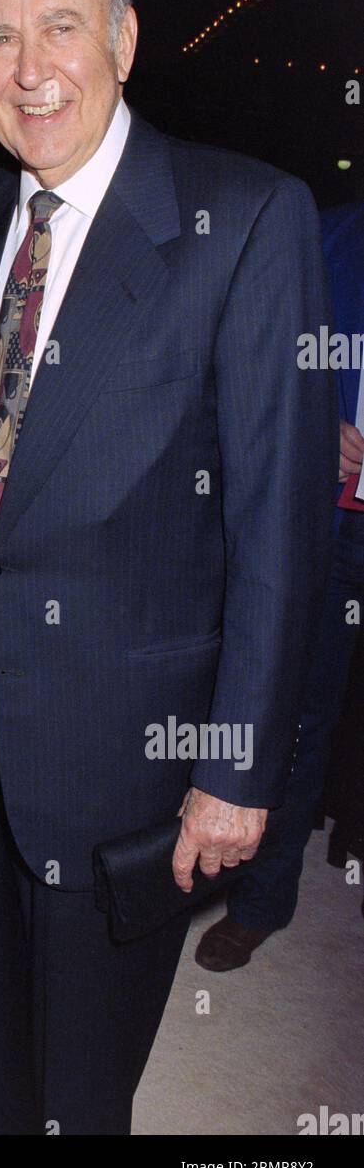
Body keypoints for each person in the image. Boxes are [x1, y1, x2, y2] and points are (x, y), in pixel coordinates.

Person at [0, 0, 336, 1135]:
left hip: (125, 766)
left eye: (60, 26)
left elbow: (279, 529)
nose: (29, 66)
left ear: (127, 39)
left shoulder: (246, 219)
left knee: (77, 1098)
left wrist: (238, 770)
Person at [197, 200, 364, 969]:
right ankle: (263, 898)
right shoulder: (320, 233)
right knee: (296, 715)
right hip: (330, 530)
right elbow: (238, 354)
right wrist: (308, 422)